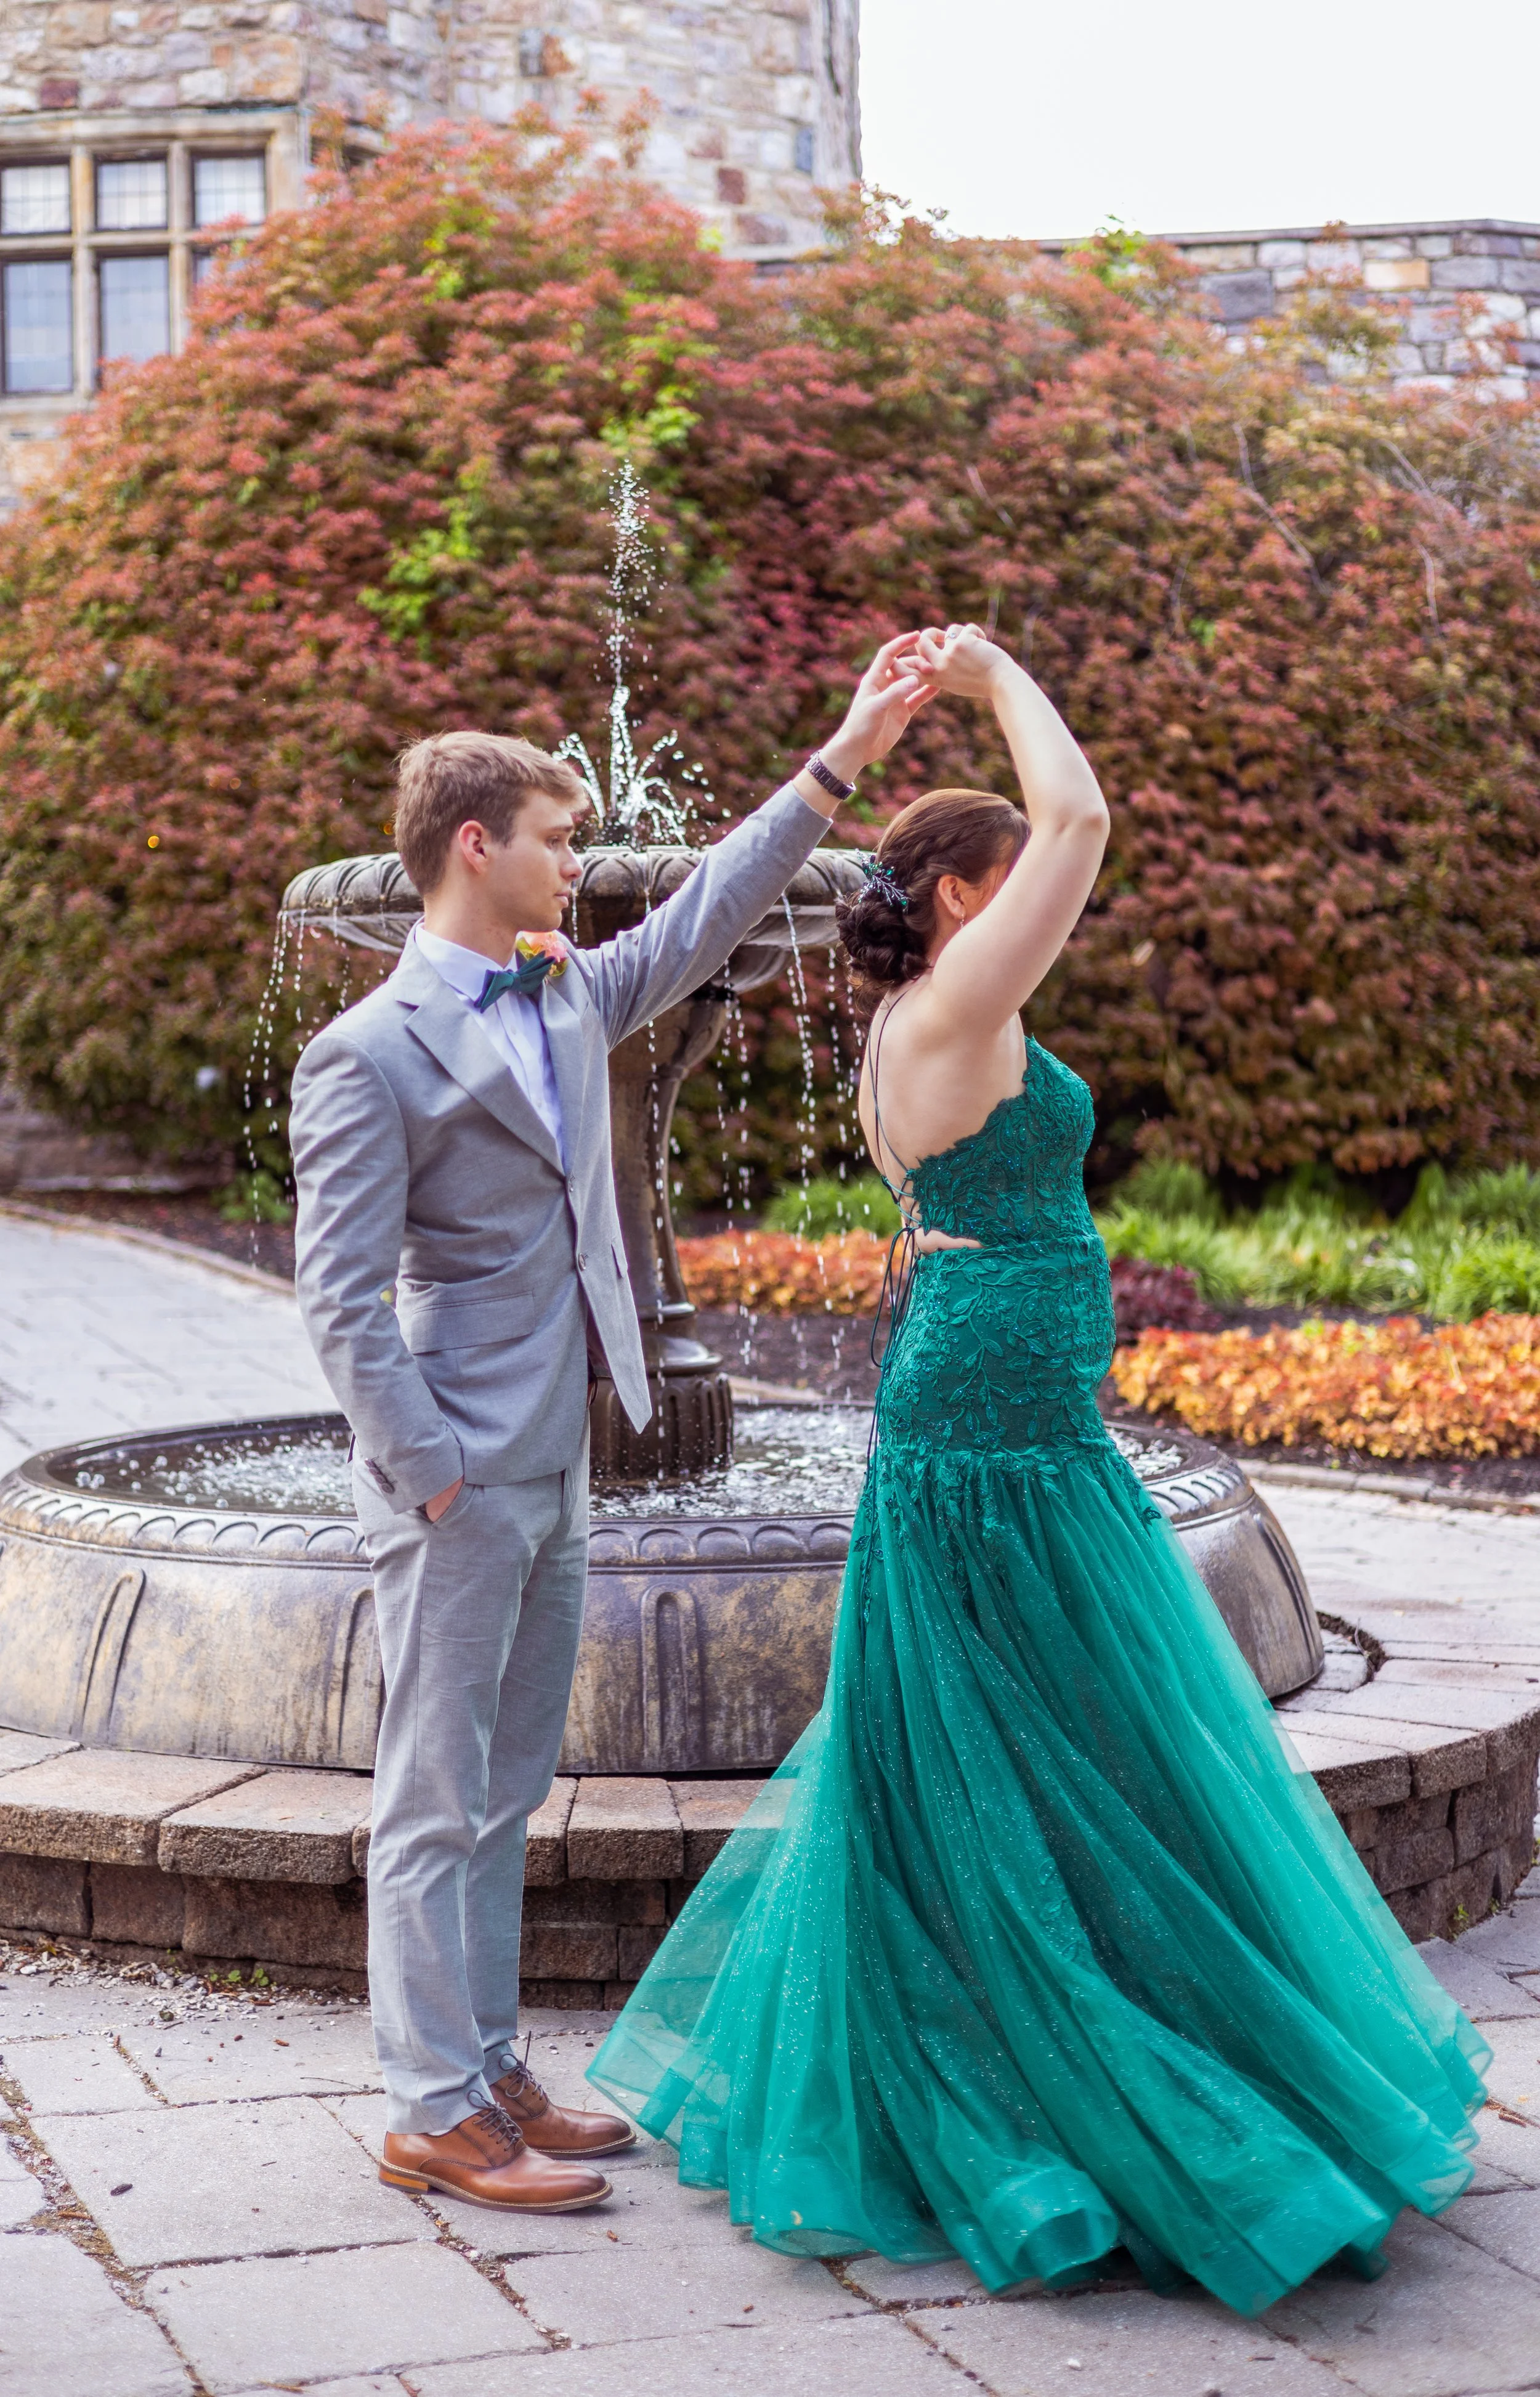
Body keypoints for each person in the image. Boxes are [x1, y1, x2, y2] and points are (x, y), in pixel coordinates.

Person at [588, 624, 1490, 2312]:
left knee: (1035, 1731)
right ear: (953, 898)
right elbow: (1077, 825)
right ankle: (1075, 2083)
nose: (1036, 908)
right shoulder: (955, 1000)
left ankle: (1074, 2011)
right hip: (995, 1434)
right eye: (999, 886)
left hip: (998, 1418)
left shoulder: (939, 1010)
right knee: (1033, 1729)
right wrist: (996, 679)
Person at [288, 635, 936, 2214]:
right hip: (453, 1472)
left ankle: (491, 2061)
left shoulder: (571, 989)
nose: (575, 859)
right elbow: (339, 1298)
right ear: (472, 846)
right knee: (433, 1795)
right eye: (556, 838)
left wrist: (842, 751)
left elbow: (713, 898)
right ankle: (428, 2105)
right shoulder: (365, 1051)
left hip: (561, 1451)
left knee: (507, 1789)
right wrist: (428, 1471)